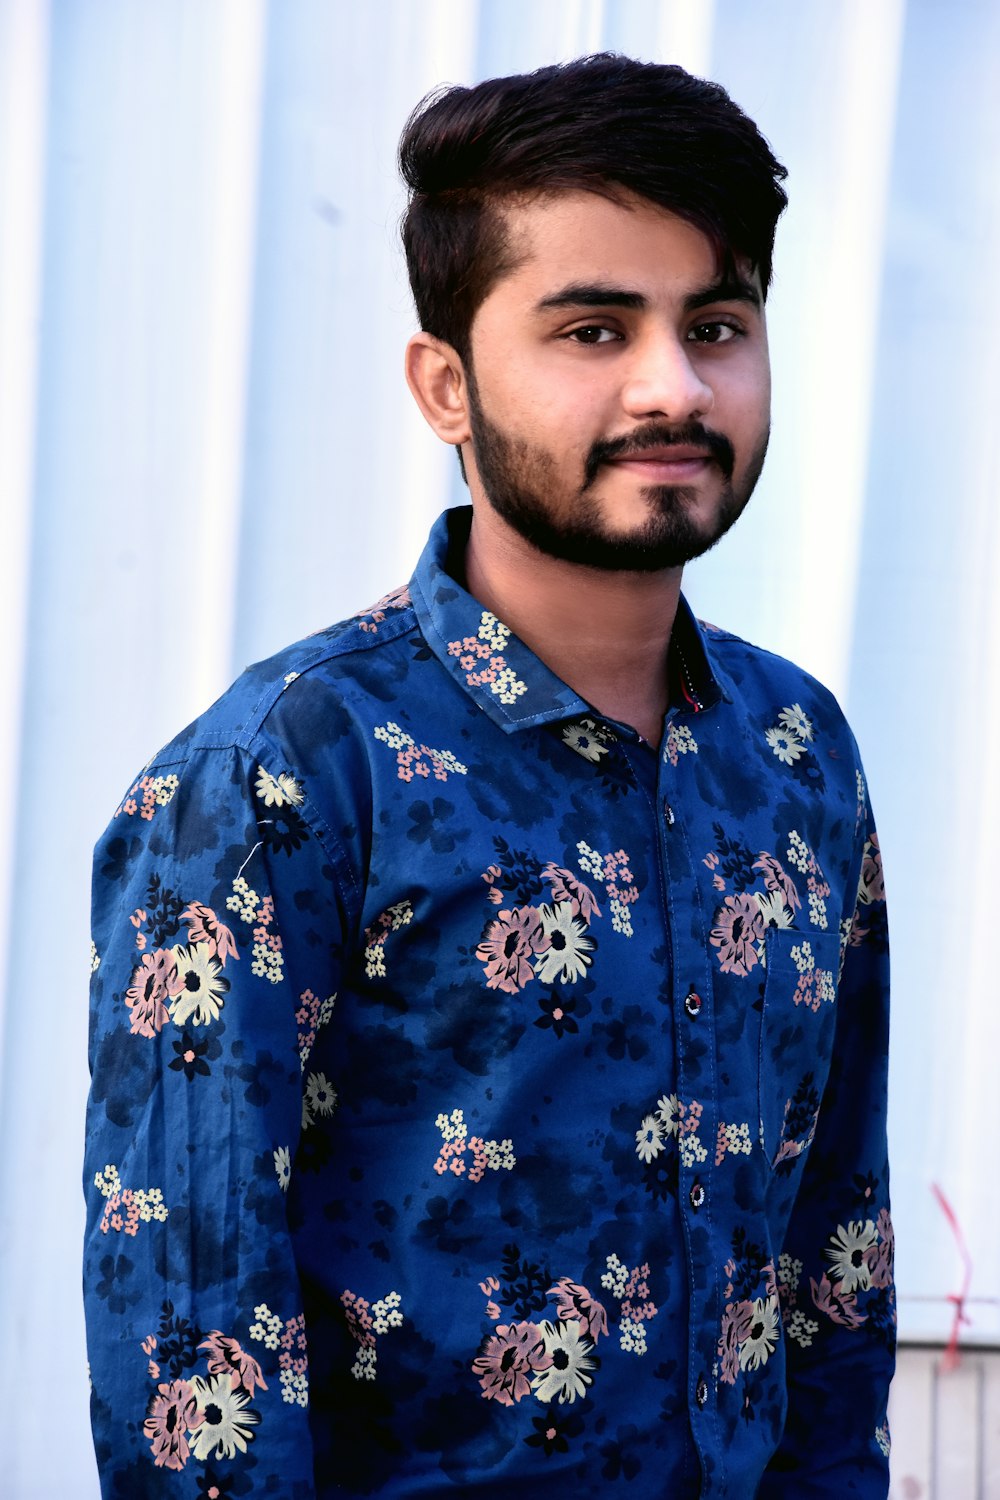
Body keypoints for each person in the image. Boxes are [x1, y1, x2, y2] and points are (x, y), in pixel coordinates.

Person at [84, 54, 894, 1498]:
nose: (672, 385)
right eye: (593, 328)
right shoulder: (285, 774)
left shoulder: (795, 750)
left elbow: (835, 1247)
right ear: (446, 384)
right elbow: (194, 1352)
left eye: (716, 324)